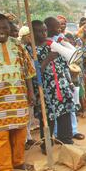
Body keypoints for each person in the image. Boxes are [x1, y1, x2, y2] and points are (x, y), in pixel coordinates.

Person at [0, 14, 36, 171]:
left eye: (4, 28)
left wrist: (31, 92)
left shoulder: (18, 45)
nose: (1, 31)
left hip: (19, 97)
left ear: (10, 29)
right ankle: (4, 170)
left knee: (20, 132)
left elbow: (28, 71)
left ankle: (18, 161)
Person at [32, 19, 75, 154]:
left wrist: (69, 81)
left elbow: (64, 64)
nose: (44, 34)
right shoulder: (30, 49)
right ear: (32, 34)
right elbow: (33, 73)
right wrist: (47, 59)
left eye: (45, 30)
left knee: (65, 112)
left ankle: (66, 140)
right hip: (44, 89)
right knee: (47, 117)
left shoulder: (51, 44)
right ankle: (47, 144)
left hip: (61, 86)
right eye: (39, 31)